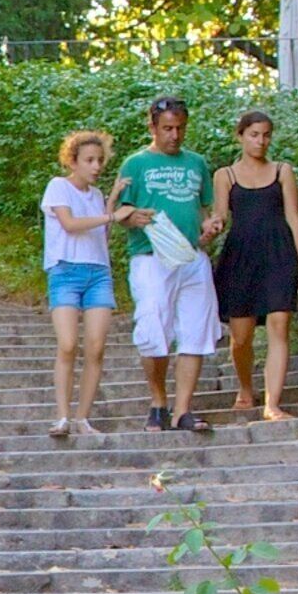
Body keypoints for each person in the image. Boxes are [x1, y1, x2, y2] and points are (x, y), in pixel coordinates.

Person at [115, 96, 222, 433]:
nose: (174, 136)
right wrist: (132, 216)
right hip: (151, 257)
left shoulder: (196, 163)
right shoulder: (136, 164)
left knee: (195, 331)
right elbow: (116, 212)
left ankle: (183, 409)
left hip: (191, 256)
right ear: (153, 127)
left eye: (180, 129)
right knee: (153, 330)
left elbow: (208, 210)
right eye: (167, 129)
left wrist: (212, 226)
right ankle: (158, 401)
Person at [207, 108, 298, 423]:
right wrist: (210, 226)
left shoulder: (283, 171)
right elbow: (222, 216)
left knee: (280, 325)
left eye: (266, 135)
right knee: (241, 337)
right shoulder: (224, 175)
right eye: (254, 135)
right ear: (240, 136)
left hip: (279, 253)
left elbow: (294, 217)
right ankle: (244, 388)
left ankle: (273, 403)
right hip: (240, 255)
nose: (261, 141)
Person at [40, 130, 132, 440]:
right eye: (89, 160)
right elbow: (70, 225)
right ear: (73, 161)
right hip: (65, 271)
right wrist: (111, 216)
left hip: (98, 273)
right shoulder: (58, 187)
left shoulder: (96, 196)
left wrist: (111, 201)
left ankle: (83, 418)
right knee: (68, 344)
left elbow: (101, 238)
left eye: (100, 161)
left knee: (96, 347)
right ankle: (63, 415)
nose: (96, 167)